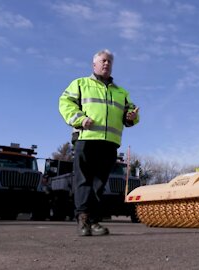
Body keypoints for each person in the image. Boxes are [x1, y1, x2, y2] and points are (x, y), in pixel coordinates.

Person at [58, 49, 139, 236]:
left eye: (110, 61)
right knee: (83, 180)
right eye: (103, 60)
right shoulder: (80, 84)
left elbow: (132, 114)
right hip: (86, 139)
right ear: (94, 64)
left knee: (99, 183)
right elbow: (65, 102)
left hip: (110, 143)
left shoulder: (121, 92)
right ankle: (83, 219)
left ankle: (94, 221)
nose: (107, 64)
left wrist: (132, 116)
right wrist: (79, 118)